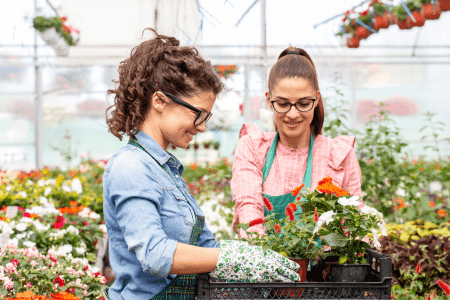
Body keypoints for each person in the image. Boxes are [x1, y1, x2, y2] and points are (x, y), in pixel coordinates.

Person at [102, 29, 301, 300]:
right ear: (159, 101)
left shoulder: (167, 171)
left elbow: (206, 246)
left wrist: (250, 265)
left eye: (207, 116)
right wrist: (232, 259)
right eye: (198, 114)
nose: (204, 127)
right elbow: (154, 254)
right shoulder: (131, 167)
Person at [231, 46, 362, 237]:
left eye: (303, 104)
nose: (293, 114)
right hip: (264, 263)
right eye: (283, 104)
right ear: (269, 100)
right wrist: (260, 249)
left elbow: (353, 220)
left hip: (325, 266)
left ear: (316, 99)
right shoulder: (254, 148)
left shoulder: (339, 155)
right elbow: (248, 207)